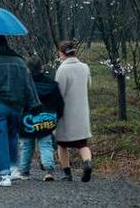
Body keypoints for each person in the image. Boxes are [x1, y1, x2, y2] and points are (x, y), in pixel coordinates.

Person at [0, 35, 40, 187]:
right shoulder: (20, 62)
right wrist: (32, 103)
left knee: (0, 137)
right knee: (13, 135)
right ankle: (14, 168)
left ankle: (4, 175)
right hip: (17, 106)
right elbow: (28, 84)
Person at [18, 56, 64, 181]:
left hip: (27, 119)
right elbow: (59, 103)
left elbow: (19, 102)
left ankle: (24, 172)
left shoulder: (23, 84)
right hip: (46, 120)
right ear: (41, 68)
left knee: (26, 145)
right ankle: (49, 170)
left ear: (27, 69)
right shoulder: (51, 84)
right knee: (46, 145)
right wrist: (57, 116)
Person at [54, 41, 93, 182]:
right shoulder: (85, 67)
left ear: (62, 53)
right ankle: (87, 162)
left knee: (62, 144)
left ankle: (67, 173)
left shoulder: (62, 70)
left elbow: (59, 93)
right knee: (82, 144)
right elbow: (88, 85)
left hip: (66, 114)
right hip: (82, 112)